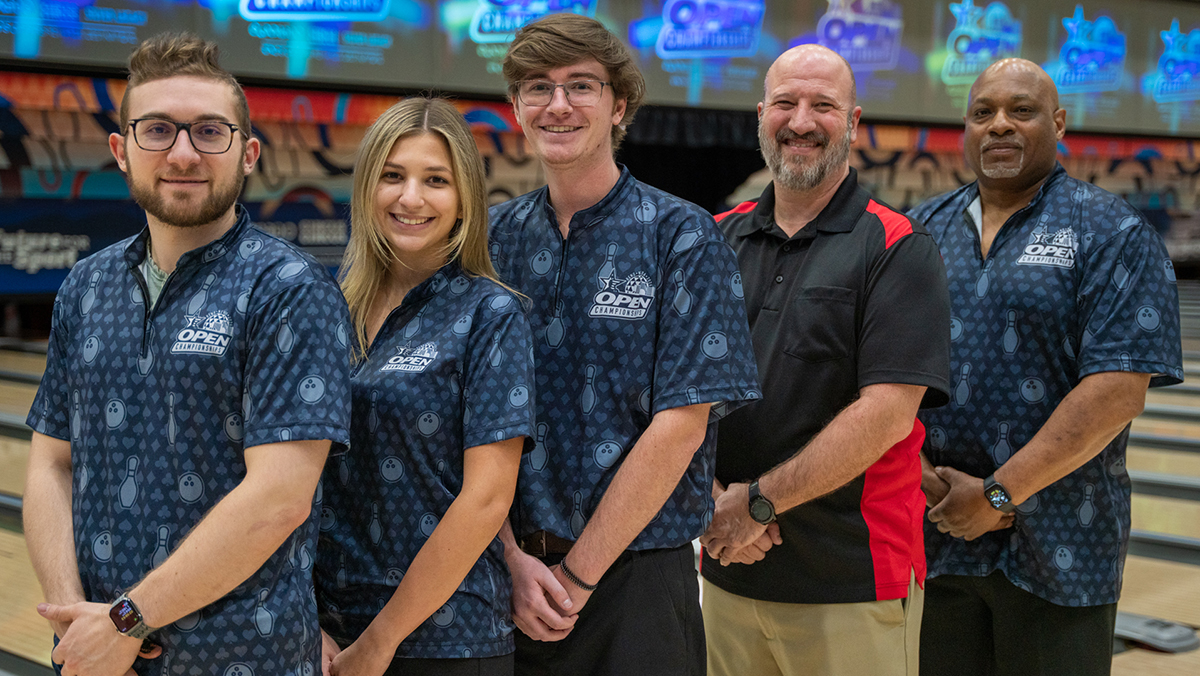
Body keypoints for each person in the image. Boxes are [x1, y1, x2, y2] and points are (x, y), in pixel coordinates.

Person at [23, 33, 351, 676]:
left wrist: (124, 621)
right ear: (121, 151)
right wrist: (74, 622)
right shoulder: (85, 286)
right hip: (94, 657)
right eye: (157, 130)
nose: (182, 153)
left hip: (242, 658)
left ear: (247, 153)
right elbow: (49, 464)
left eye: (209, 132)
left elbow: (280, 498)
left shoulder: (289, 289)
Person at [488, 14, 760, 676]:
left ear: (619, 106)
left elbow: (680, 427)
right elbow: (467, 419)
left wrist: (578, 577)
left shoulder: (682, 236)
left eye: (581, 85)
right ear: (516, 107)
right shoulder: (490, 240)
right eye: (538, 86)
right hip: (504, 580)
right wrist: (510, 560)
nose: (558, 104)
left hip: (638, 582)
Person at [908, 58, 1183, 676]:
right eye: (983, 113)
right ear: (966, 128)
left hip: (1062, 549)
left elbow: (1117, 391)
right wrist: (927, 481)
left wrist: (997, 494)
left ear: (1058, 124)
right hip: (935, 534)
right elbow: (882, 369)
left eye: (1021, 110)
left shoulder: (1112, 232)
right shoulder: (920, 230)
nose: (1000, 125)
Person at [698, 44, 951, 676]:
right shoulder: (712, 239)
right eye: (785, 103)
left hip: (853, 579)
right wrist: (709, 503)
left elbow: (887, 413)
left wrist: (757, 503)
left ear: (854, 122)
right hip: (728, 566)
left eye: (824, 106)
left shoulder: (897, 245)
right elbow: (671, 392)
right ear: (762, 116)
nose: (802, 121)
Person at [314, 97, 535, 676]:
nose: (410, 198)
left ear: (464, 199)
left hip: (446, 639)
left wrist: (381, 640)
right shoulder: (328, 309)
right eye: (392, 176)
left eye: (435, 180)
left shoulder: (490, 314)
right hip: (327, 629)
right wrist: (305, 619)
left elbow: (486, 500)